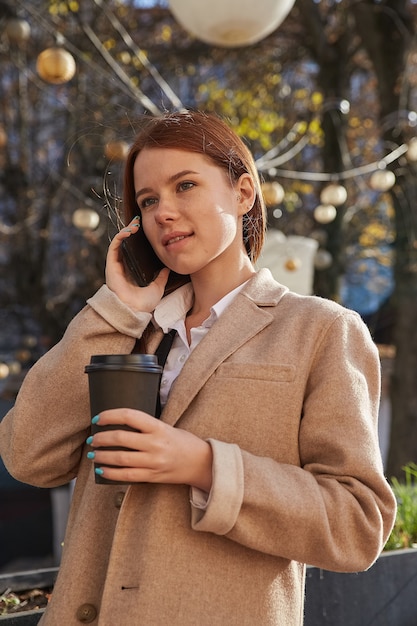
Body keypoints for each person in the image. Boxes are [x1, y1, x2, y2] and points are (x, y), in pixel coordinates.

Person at [0, 110, 396, 625]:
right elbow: (27, 454)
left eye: (184, 185)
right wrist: (118, 308)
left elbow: (357, 524)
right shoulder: (127, 328)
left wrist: (206, 466)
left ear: (244, 193)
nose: (163, 211)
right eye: (147, 200)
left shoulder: (320, 330)